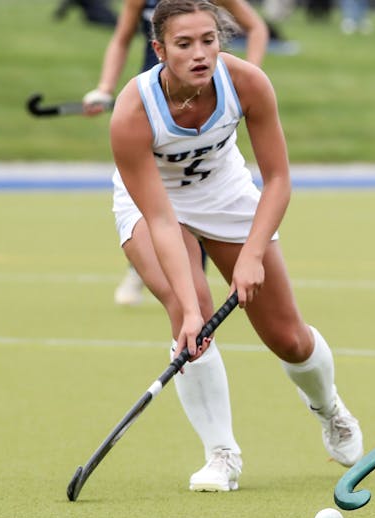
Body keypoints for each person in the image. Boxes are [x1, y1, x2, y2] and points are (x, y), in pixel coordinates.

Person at [107, 0, 363, 492]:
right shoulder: (132, 112)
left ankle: (329, 407)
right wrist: (186, 308)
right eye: (184, 44)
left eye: (209, 40)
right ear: (159, 49)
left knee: (288, 337)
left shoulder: (246, 83)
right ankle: (221, 454)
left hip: (225, 192)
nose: (200, 53)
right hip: (152, 204)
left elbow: (279, 179)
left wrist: (251, 255)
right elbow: (160, 219)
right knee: (194, 318)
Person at [82, 0, 269, 306]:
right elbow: (122, 37)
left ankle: (191, 280)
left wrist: (248, 80)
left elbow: (256, 27)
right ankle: (144, 269)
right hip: (154, 110)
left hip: (202, 101)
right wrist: (105, 88)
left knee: (203, 184)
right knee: (155, 200)